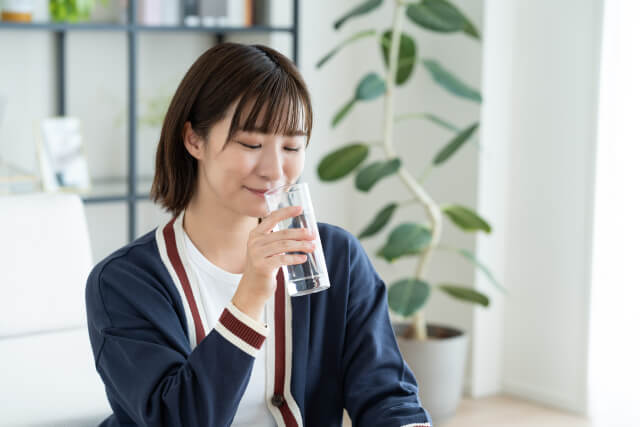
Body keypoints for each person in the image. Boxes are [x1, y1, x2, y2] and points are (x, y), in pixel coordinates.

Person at [85, 42, 433, 427]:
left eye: (291, 146)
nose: (274, 170)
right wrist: (250, 294)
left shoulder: (336, 258)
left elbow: (387, 396)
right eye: (251, 143)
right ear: (194, 140)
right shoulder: (123, 283)